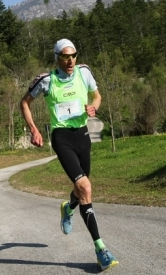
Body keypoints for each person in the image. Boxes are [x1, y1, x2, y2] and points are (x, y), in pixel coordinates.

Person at [20, 38, 119, 271]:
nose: (71, 61)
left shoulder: (84, 72)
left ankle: (68, 208)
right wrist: (34, 129)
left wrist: (95, 107)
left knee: (81, 188)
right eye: (65, 57)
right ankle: (101, 249)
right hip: (61, 137)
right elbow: (24, 103)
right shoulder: (46, 80)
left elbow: (97, 96)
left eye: (73, 55)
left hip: (83, 135)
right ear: (57, 58)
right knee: (85, 187)